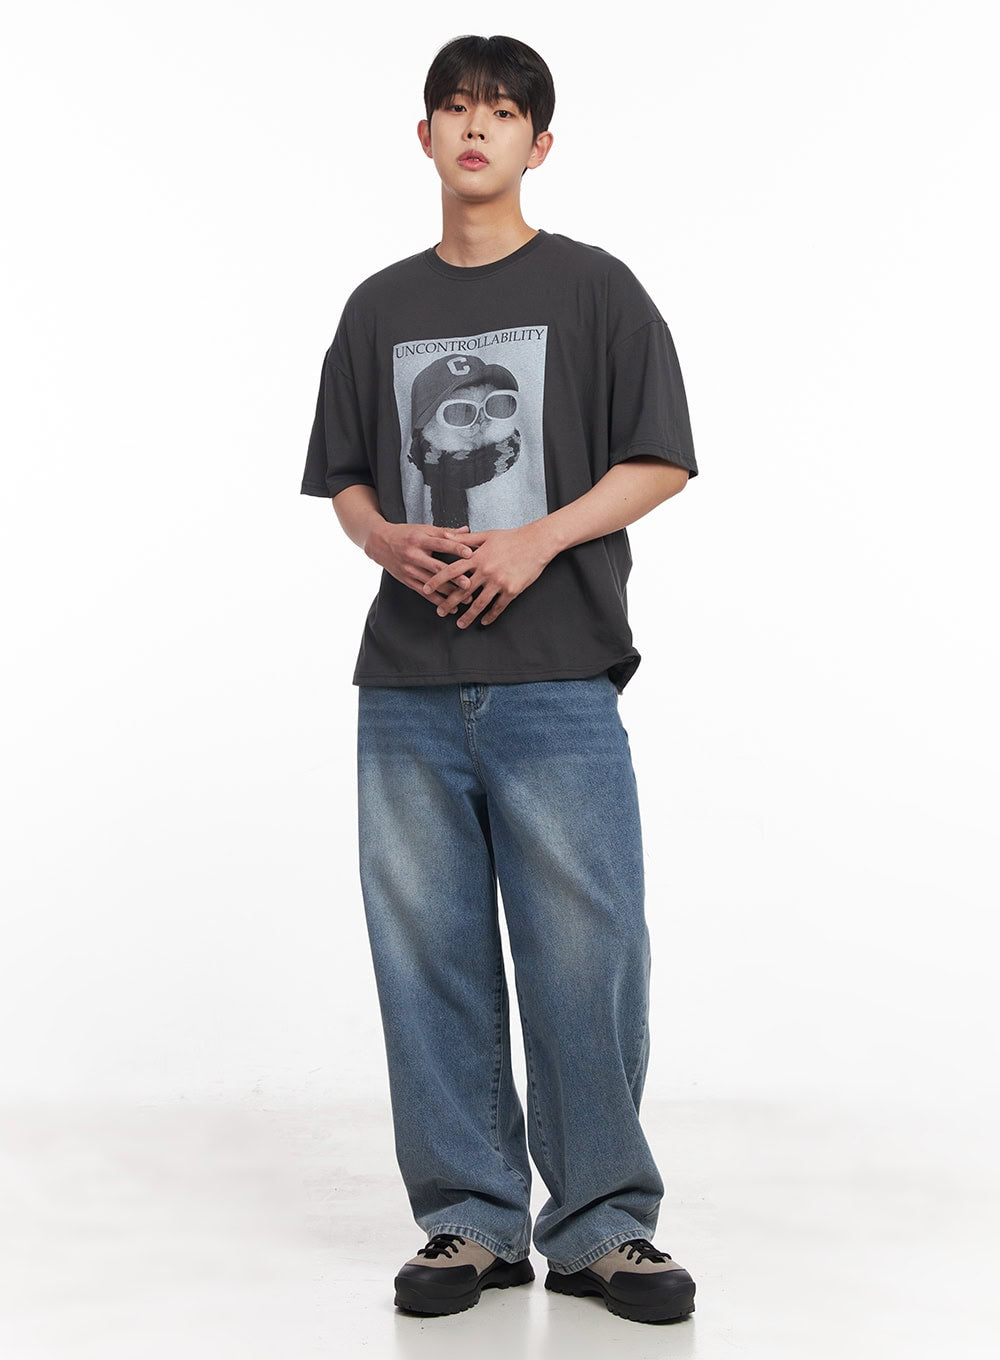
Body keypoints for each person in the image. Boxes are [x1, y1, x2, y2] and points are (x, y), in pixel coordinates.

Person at [300, 34, 700, 1326]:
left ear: (541, 142)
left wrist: (539, 539)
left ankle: (604, 1227)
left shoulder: (596, 289)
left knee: (587, 950)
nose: (478, 128)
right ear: (424, 137)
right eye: (457, 109)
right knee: (427, 957)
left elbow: (661, 459)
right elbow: (346, 477)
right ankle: (471, 1220)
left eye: (504, 111)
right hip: (407, 686)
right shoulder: (377, 307)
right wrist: (379, 538)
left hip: (559, 675)